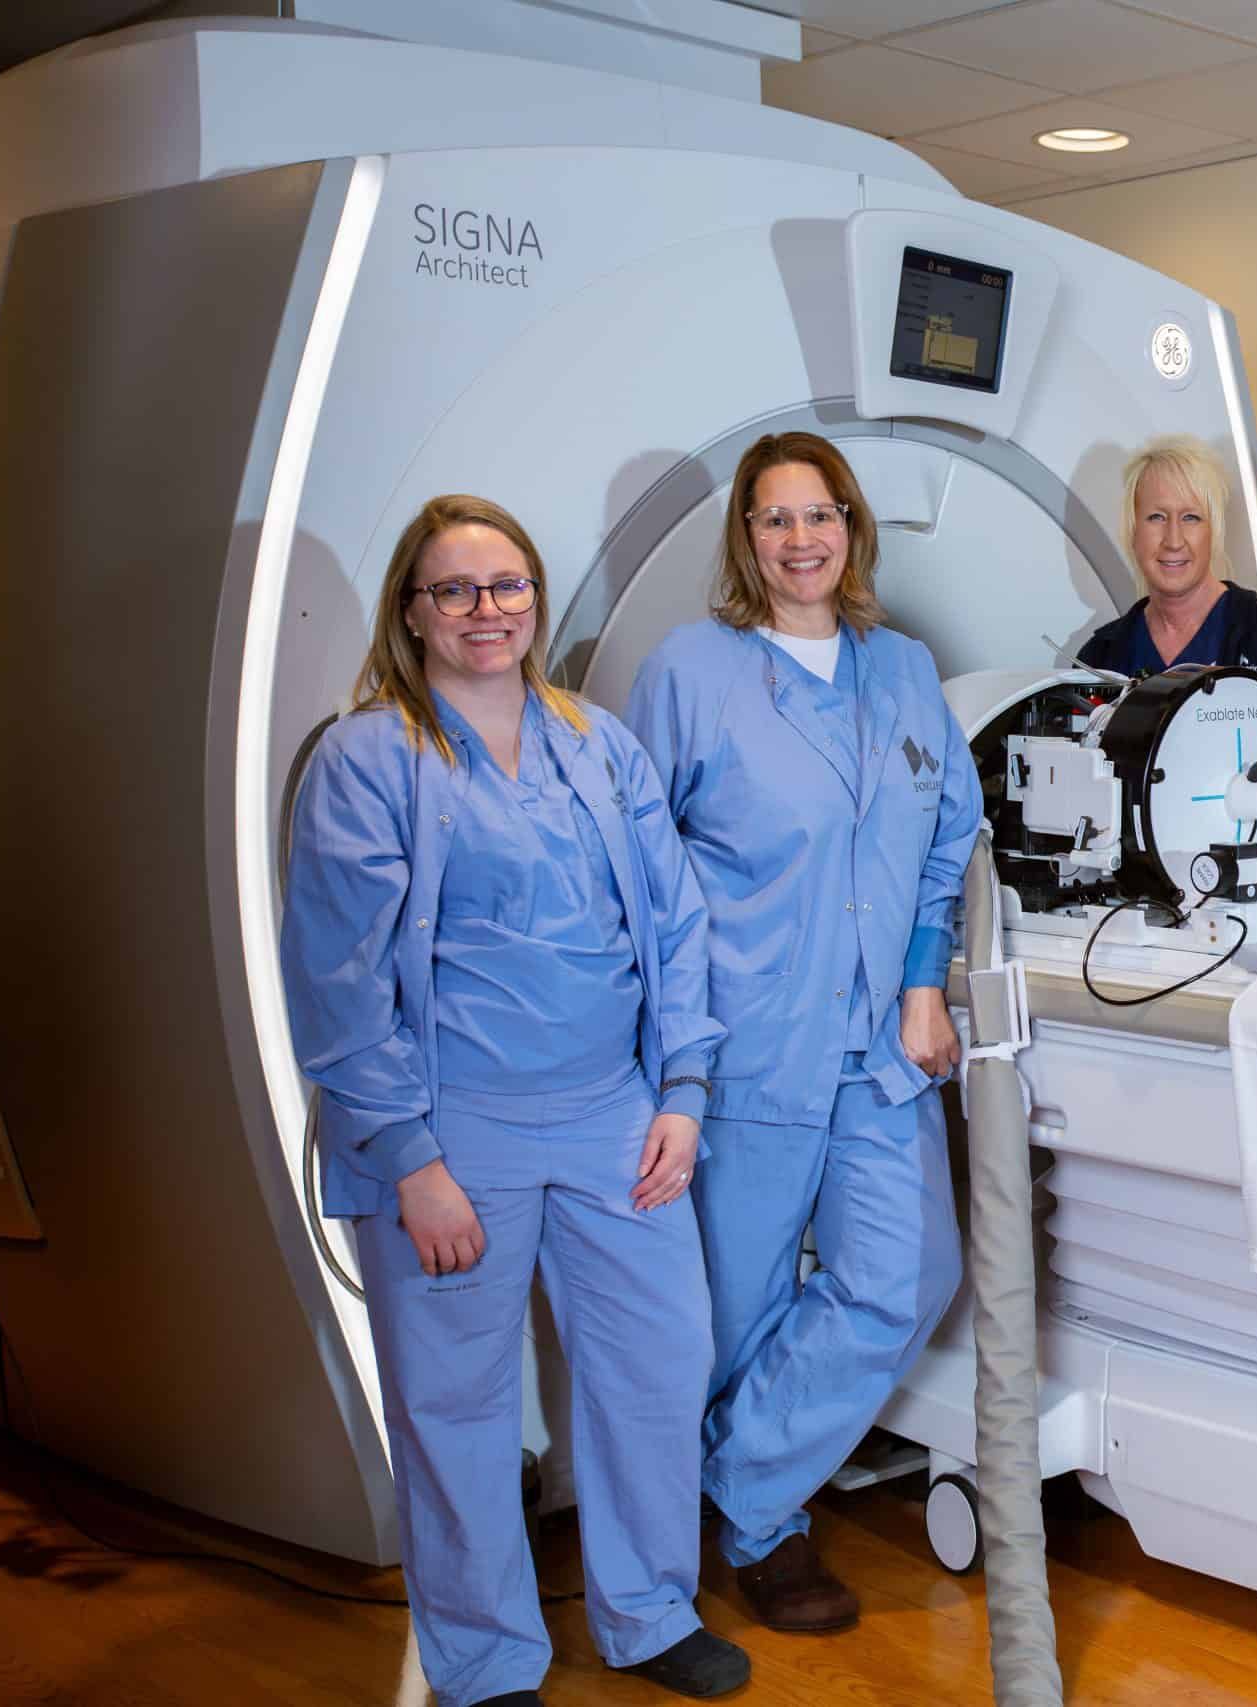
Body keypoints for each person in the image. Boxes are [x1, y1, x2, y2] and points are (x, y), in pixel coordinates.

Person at [281, 495, 744, 1707]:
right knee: (454, 1400)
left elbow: (677, 927)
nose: (487, 612)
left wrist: (684, 1089)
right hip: (452, 1130)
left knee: (657, 1361)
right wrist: (408, 1159)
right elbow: (336, 979)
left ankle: (648, 1613)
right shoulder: (367, 758)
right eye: (456, 591)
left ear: (536, 600)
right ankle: (484, 1660)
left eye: (508, 587)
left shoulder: (599, 743)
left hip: (611, 1112)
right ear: (414, 614)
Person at [625, 432, 979, 1636]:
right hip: (747, 1046)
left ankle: (741, 1483)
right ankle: (767, 1538)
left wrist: (924, 982)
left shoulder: (905, 671)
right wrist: (671, 1049)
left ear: (852, 525)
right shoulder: (693, 670)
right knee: (731, 1311)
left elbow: (944, 843)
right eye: (774, 520)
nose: (801, 540)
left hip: (880, 1049)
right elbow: (643, 869)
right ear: (745, 538)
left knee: (906, 1278)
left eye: (819, 514)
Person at [1076, 434, 1257, 735]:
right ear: (1133, 531)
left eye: (1191, 518)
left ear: (1214, 531)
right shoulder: (1100, 657)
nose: (1174, 540)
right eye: (1156, 517)